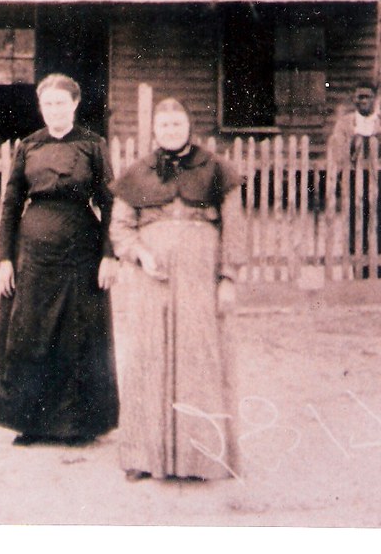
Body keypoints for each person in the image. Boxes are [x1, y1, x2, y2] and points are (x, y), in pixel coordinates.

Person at [108, 97, 246, 482]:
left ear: (189, 127)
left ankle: (200, 459)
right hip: (153, 281)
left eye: (177, 124)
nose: (171, 131)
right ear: (154, 130)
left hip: (201, 281)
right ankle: (143, 456)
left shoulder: (217, 169)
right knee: (148, 359)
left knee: (199, 361)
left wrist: (228, 279)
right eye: (164, 125)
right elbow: (120, 228)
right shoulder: (137, 173)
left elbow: (233, 228)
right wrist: (140, 255)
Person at [0, 73, 119, 447]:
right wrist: (3, 258)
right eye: (48, 103)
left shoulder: (93, 145)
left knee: (77, 332)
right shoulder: (29, 146)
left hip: (81, 249)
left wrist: (110, 254)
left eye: (61, 102)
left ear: (74, 104)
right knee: (31, 330)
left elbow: (110, 204)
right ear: (40, 107)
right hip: (34, 251)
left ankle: (78, 425)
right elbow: (11, 204)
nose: (54, 110)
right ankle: (30, 422)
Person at [326, 86, 381, 278]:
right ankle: (361, 272)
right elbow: (339, 152)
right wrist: (355, 140)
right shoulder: (345, 124)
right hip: (354, 181)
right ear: (354, 100)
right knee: (356, 226)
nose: (363, 101)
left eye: (367, 97)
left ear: (374, 99)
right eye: (359, 97)